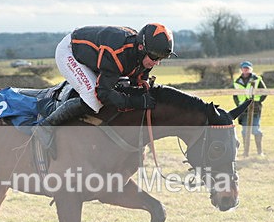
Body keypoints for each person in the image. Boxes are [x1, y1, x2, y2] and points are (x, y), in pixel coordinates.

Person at [33, 24, 176, 155]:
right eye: (154, 57)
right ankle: (46, 126)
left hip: (98, 54)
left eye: (161, 59)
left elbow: (137, 81)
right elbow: (103, 93)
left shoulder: (144, 54)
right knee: (93, 98)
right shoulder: (118, 54)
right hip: (70, 52)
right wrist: (134, 102)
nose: (156, 63)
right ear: (140, 48)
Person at [232, 61, 267, 156]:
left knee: (255, 130)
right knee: (244, 131)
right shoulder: (236, 81)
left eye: (247, 68)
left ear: (251, 69)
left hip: (255, 108)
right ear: (241, 69)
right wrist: (239, 105)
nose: (245, 70)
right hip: (243, 109)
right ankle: (246, 152)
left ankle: (260, 152)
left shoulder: (257, 79)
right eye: (244, 68)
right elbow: (234, 95)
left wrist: (257, 101)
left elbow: (264, 92)